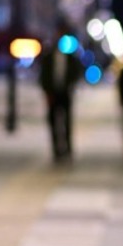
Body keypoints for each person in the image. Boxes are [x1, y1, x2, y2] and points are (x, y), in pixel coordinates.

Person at [38, 21, 84, 164]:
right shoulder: (48, 56)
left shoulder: (71, 57)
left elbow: (76, 73)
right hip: (52, 94)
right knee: (53, 123)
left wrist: (70, 86)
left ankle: (68, 150)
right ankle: (56, 151)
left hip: (65, 93)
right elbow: (43, 76)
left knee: (67, 123)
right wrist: (47, 91)